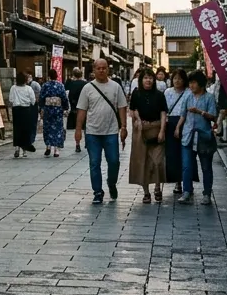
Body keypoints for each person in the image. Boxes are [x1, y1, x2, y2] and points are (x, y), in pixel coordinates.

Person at [74, 58, 128, 204]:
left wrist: (124, 127)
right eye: (99, 68)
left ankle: (112, 183)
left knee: (114, 161)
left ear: (108, 69)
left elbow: (122, 107)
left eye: (104, 68)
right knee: (94, 163)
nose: (102, 70)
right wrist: (78, 130)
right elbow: (82, 110)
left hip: (111, 131)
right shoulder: (87, 88)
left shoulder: (116, 87)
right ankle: (97, 191)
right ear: (94, 70)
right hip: (93, 132)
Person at [178, 69, 219, 205]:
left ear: (201, 84)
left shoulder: (209, 97)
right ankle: (187, 191)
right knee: (186, 166)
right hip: (188, 135)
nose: (191, 85)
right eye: (190, 83)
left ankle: (207, 193)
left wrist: (200, 112)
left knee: (206, 167)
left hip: (203, 136)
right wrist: (178, 128)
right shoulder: (187, 96)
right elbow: (183, 114)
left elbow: (213, 116)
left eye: (194, 82)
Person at [128, 67, 168, 204]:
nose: (148, 80)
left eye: (150, 77)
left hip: (156, 128)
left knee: (157, 161)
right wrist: (138, 120)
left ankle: (157, 187)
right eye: (145, 78)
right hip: (141, 131)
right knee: (142, 162)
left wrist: (162, 130)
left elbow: (163, 113)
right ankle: (146, 192)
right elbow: (133, 110)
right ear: (141, 80)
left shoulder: (159, 95)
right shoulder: (136, 94)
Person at [164, 69, 192, 194]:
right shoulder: (167, 92)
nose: (177, 81)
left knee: (186, 154)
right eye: (175, 78)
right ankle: (177, 182)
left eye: (180, 78)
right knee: (173, 154)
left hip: (185, 123)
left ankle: (187, 182)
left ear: (184, 80)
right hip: (170, 123)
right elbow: (164, 109)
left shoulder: (188, 92)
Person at [38, 69, 70, 157]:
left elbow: (41, 98)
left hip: (48, 109)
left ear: (49, 76)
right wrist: (66, 107)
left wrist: (41, 107)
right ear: (56, 76)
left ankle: (48, 147)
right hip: (57, 109)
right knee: (58, 128)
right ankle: (56, 150)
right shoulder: (60, 85)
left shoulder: (45, 85)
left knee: (47, 128)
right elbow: (64, 97)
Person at [9, 71, 37, 158]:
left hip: (16, 110)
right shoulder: (29, 89)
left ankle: (17, 149)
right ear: (25, 80)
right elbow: (33, 101)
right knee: (26, 130)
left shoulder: (13, 88)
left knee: (17, 129)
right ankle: (24, 150)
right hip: (26, 110)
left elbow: (11, 99)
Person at [65, 67, 87, 152]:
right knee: (85, 126)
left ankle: (77, 144)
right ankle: (87, 142)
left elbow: (69, 96)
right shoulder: (85, 84)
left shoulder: (71, 84)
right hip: (85, 107)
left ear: (73, 75)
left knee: (78, 128)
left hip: (75, 108)